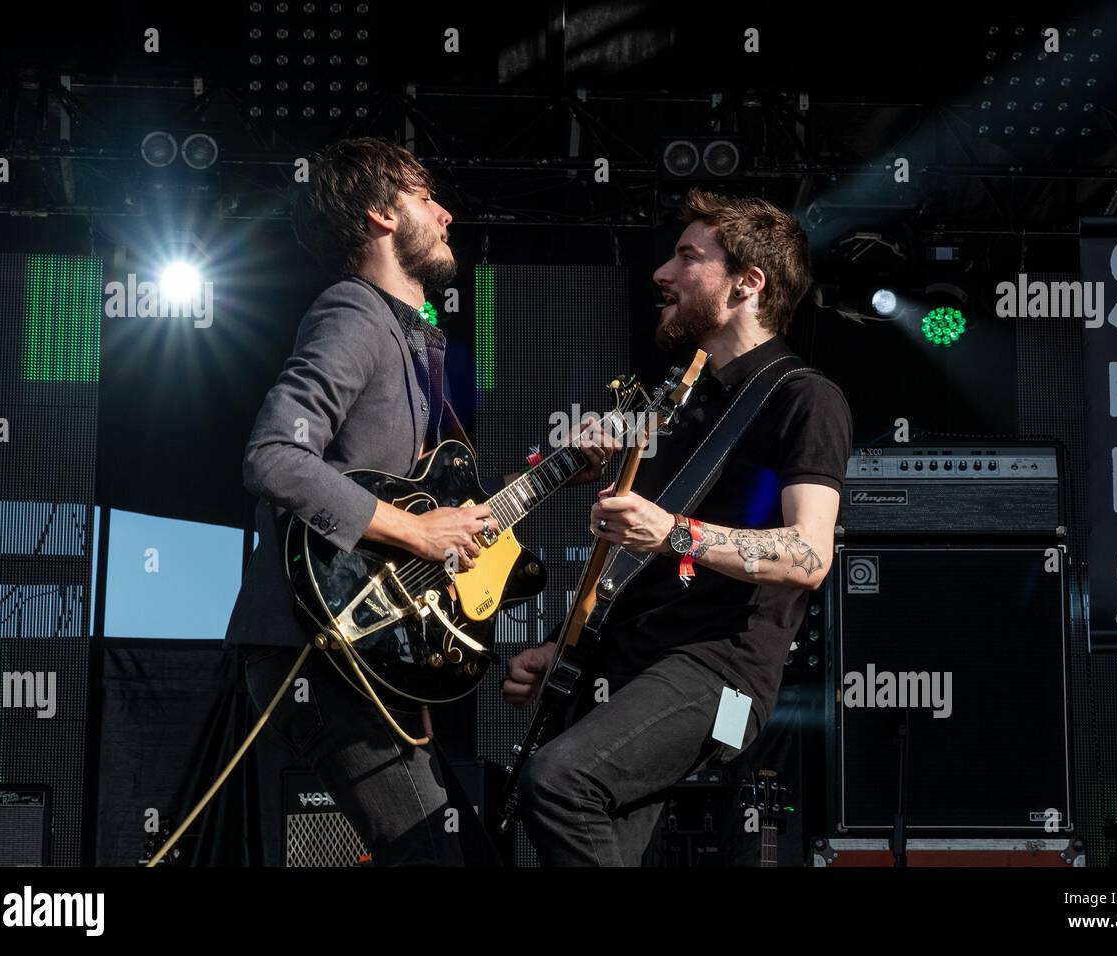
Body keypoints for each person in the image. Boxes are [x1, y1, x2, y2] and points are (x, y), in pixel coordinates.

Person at [223, 136, 609, 865]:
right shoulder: (353, 313)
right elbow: (273, 457)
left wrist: (558, 472)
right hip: (321, 643)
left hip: (375, 644)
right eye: (424, 196)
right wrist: (418, 533)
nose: (446, 212)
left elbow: (442, 509)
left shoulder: (412, 338)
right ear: (379, 215)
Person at [503, 188, 853, 866]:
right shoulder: (680, 405)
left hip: (723, 680)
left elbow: (809, 555)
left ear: (748, 282)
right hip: (636, 665)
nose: (662, 273)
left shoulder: (805, 398)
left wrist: (674, 532)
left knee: (559, 782)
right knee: (574, 823)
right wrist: (567, 646)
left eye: (688, 257)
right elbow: (643, 572)